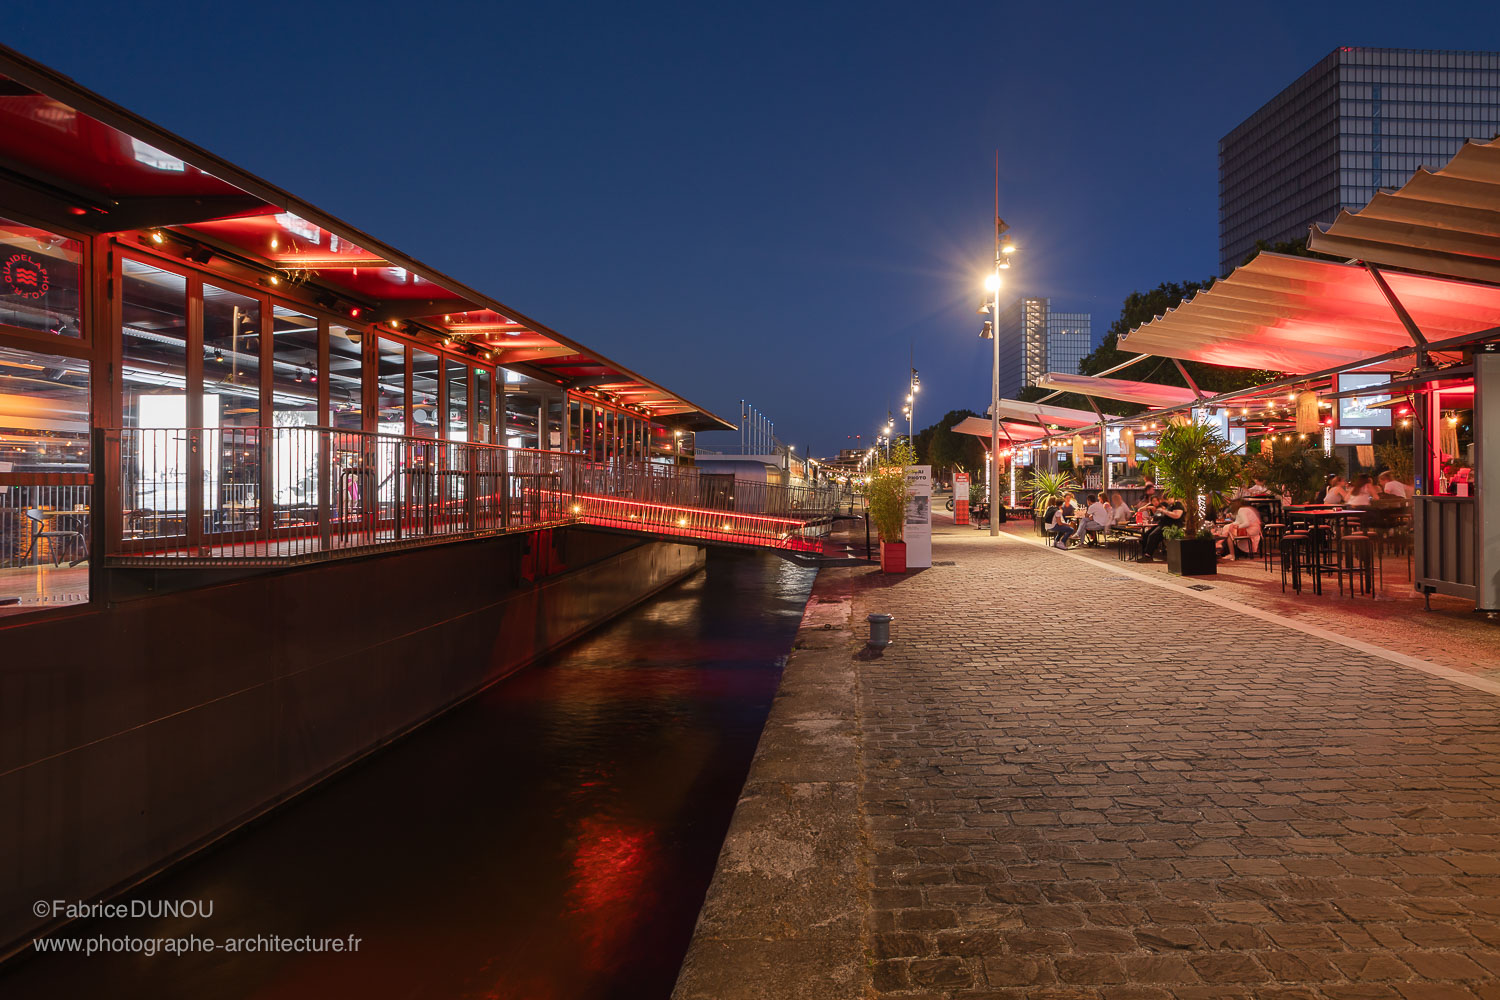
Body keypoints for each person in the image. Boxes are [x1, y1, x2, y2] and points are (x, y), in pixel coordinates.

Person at [1136, 495, 1184, 562]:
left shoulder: (1177, 504)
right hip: (1163, 524)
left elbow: (1176, 515)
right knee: (1146, 534)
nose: (1168, 501)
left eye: (1169, 499)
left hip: (1169, 526)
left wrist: (1164, 511)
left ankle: (1148, 555)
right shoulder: (1169, 505)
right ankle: (1145, 554)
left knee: (1153, 536)